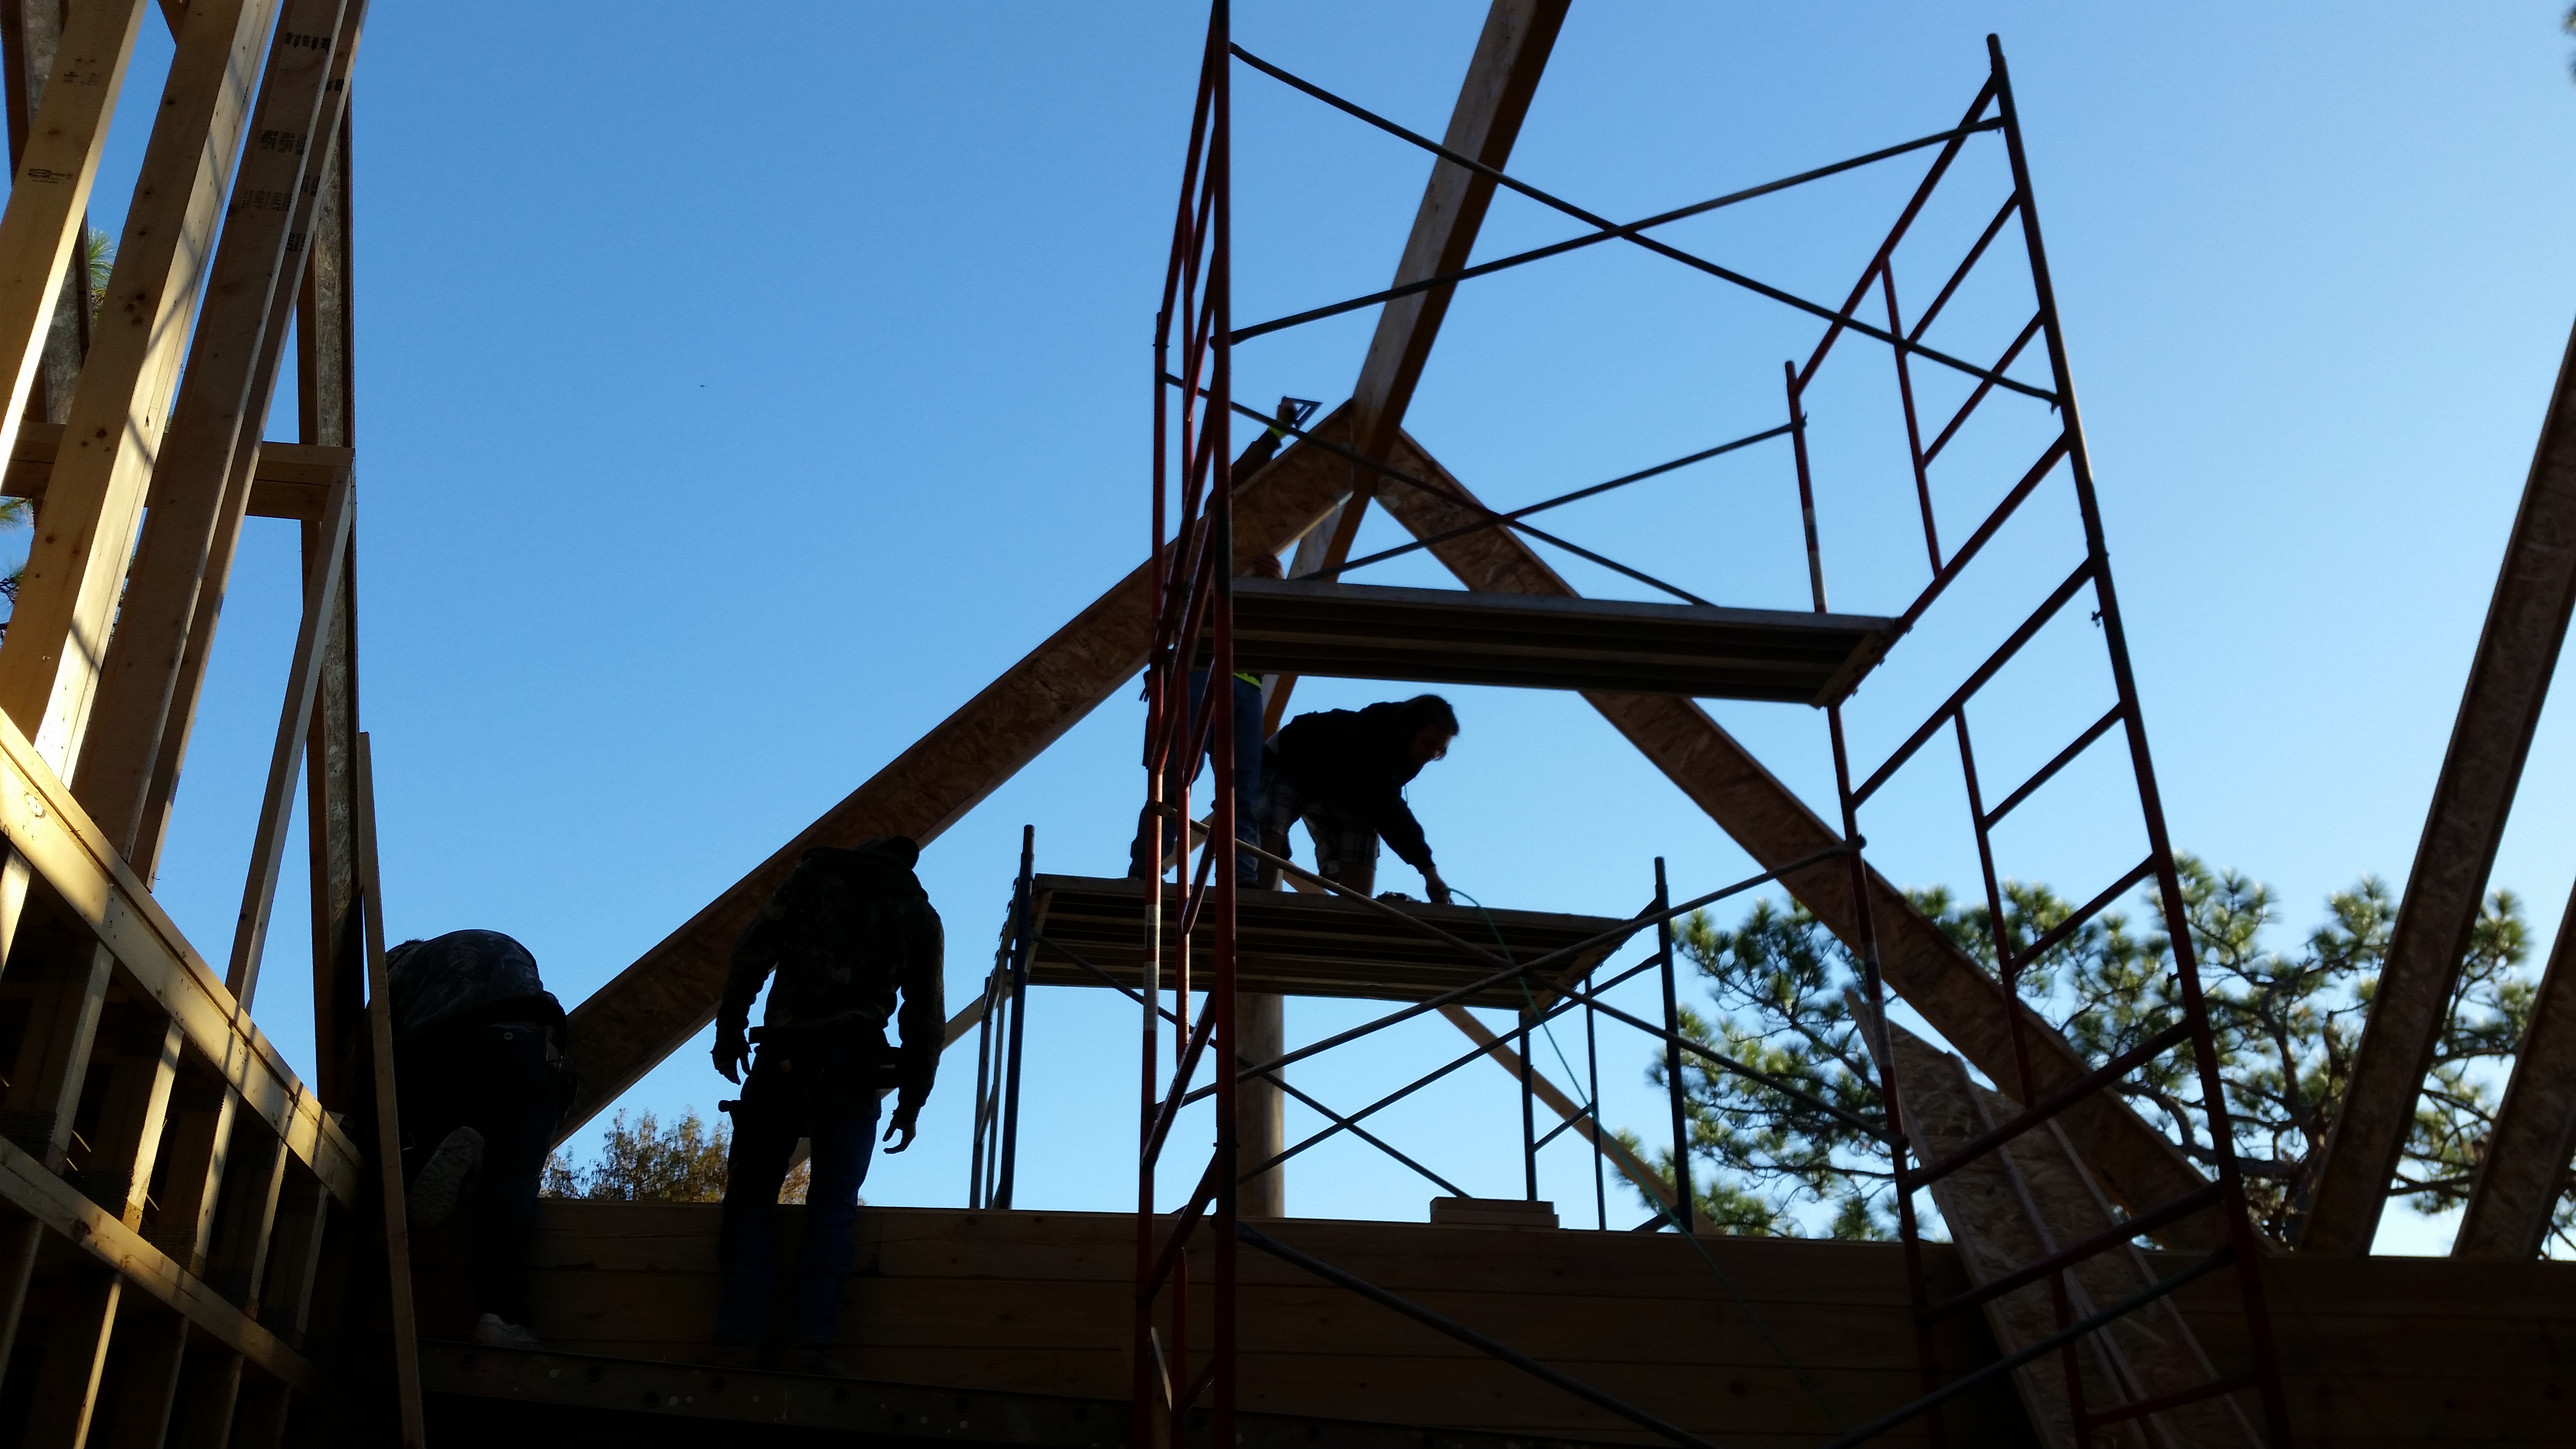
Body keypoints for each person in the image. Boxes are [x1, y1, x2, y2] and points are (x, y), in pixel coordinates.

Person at [711, 835, 944, 1373]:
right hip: (852, 1067)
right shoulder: (918, 914)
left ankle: (736, 1344)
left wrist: (730, 1030)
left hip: (782, 1058)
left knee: (751, 1197)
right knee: (834, 1207)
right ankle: (809, 1347)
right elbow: (924, 1018)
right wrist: (911, 1102)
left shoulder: (813, 879)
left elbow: (751, 951)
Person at [389, 929, 578, 1352]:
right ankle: (501, 1317)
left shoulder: (399, 974)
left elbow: (372, 1065)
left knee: (407, 1138)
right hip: (528, 1047)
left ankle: (429, 1162)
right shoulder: (490, 945)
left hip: (444, 1054)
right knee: (512, 1183)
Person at [1129, 550, 1281, 886]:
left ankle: (1241, 877)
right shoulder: (1197, 565)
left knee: (1241, 791)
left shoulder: (1253, 574)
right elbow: (1176, 616)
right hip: (1200, 673)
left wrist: (1277, 587)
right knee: (1177, 778)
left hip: (1244, 684)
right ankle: (1147, 868)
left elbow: (1277, 626)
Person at [1258, 694, 1459, 904]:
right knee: (1271, 827)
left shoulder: (1411, 758)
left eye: (1441, 751)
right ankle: (1261, 902)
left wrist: (1429, 874)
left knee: (1361, 872)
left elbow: (1384, 805)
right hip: (1291, 761)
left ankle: (1354, 915)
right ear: (1409, 732)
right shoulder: (1368, 740)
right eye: (1428, 744)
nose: (1432, 754)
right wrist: (1430, 873)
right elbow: (1389, 810)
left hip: (1346, 791)